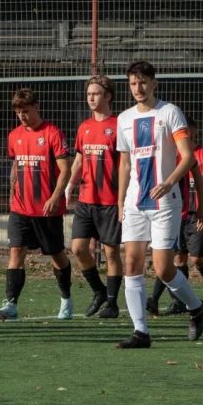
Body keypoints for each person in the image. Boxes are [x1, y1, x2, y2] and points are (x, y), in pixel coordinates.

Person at [114, 61, 203, 349]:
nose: (137, 88)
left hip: (165, 201)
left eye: (143, 82)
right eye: (132, 83)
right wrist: (120, 200)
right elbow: (125, 163)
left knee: (164, 268)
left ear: (154, 83)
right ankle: (141, 332)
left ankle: (195, 306)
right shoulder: (124, 119)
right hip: (134, 202)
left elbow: (188, 157)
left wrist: (169, 181)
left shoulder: (170, 113)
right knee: (131, 262)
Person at [0, 88, 74, 321]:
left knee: (56, 255)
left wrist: (55, 197)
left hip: (47, 209)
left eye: (25, 111)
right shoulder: (14, 135)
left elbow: (65, 169)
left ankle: (66, 298)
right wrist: (11, 193)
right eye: (18, 112)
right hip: (20, 208)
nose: (22, 116)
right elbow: (16, 166)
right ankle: (11, 304)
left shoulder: (52, 133)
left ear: (36, 107)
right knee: (16, 251)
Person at [66, 75, 123, 319]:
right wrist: (69, 185)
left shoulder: (119, 125)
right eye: (89, 93)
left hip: (110, 201)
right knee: (78, 248)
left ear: (108, 96)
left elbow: (125, 164)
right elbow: (79, 159)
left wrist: (123, 198)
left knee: (111, 252)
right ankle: (99, 291)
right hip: (86, 200)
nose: (91, 97)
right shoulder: (84, 127)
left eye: (96, 93)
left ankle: (111, 303)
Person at [148, 116, 203, 314]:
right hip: (177, 214)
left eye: (188, 135)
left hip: (197, 215)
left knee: (195, 259)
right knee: (177, 259)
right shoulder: (173, 157)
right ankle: (175, 301)